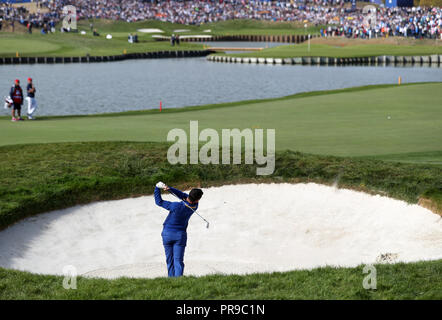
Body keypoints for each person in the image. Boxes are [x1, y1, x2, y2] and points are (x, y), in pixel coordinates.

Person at [154, 182, 203, 277]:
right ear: (198, 199)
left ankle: (171, 280)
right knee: (178, 261)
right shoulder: (194, 207)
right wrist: (170, 189)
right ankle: (178, 281)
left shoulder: (176, 206)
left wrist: (157, 188)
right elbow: (183, 196)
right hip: (180, 236)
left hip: (167, 234)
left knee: (169, 260)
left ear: (189, 194)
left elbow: (158, 202)